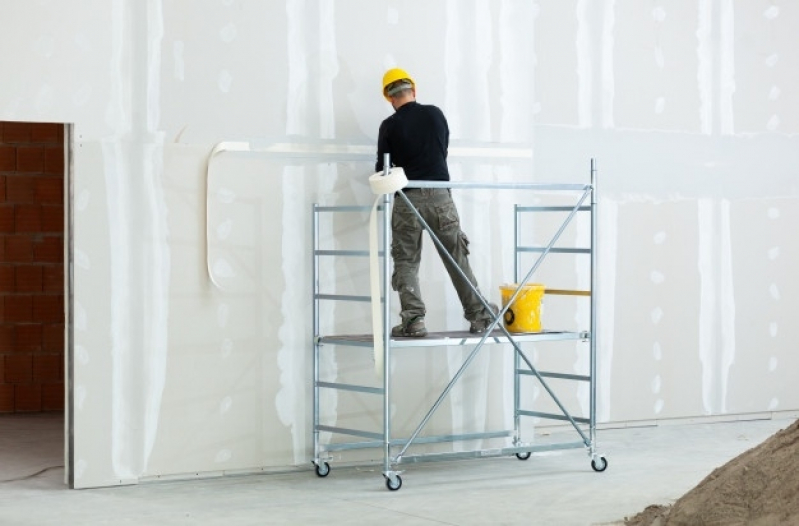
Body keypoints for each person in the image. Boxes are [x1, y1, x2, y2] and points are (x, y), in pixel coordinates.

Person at [375, 67, 497, 338]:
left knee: (406, 260)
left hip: (407, 198)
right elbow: (442, 150)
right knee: (456, 257)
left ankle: (413, 320)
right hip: (440, 195)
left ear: (389, 97)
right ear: (413, 91)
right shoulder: (435, 114)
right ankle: (479, 316)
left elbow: (382, 170)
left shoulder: (389, 126)